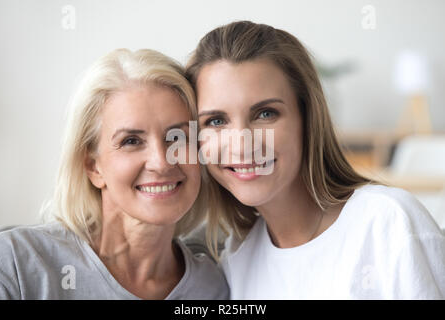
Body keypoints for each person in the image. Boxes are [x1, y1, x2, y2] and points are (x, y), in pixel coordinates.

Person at [186, 20, 445, 299]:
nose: (241, 144)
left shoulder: (388, 223)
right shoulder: (238, 258)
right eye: (215, 121)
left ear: (307, 119)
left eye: (265, 114)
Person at [0, 48, 229, 299]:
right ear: (93, 167)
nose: (161, 162)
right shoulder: (15, 265)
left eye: (177, 138)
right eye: (131, 141)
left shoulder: (213, 287)